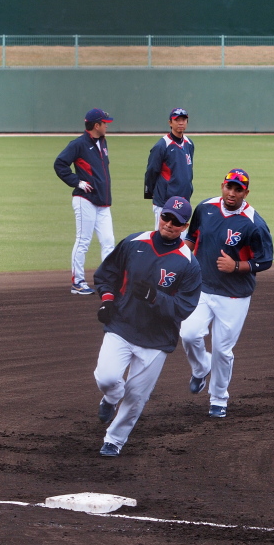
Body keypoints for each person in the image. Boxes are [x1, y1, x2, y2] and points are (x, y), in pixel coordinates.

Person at [92, 196, 202, 457]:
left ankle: (114, 441)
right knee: (106, 378)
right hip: (122, 325)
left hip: (156, 338)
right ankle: (110, 397)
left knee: (136, 396)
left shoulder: (188, 263)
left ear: (185, 226)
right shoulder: (133, 242)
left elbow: (185, 307)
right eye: (166, 217)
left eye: (177, 222)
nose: (169, 224)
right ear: (160, 215)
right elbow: (106, 274)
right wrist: (107, 301)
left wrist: (155, 297)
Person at [179, 169, 273, 418]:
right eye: (229, 187)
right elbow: (191, 237)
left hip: (234, 295)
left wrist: (238, 267)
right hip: (201, 287)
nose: (232, 193)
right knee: (188, 334)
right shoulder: (205, 208)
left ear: (246, 192)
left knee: (222, 350)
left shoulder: (254, 224)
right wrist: (177, 258)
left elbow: (265, 261)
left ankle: (219, 397)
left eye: (238, 189)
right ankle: (200, 369)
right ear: (222, 186)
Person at [54, 108, 115, 296]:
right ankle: (78, 282)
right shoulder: (79, 144)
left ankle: (108, 281)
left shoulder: (102, 142)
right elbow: (59, 164)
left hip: (103, 202)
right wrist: (77, 182)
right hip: (85, 200)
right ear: (96, 125)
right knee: (83, 241)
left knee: (108, 242)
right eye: (105, 123)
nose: (107, 126)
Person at [144, 108, 194, 231]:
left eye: (183, 119)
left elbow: (188, 171)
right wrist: (153, 194)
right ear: (170, 123)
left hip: (183, 201)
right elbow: (151, 172)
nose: (181, 123)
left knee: (181, 242)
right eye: (177, 120)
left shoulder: (189, 144)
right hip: (165, 203)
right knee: (161, 238)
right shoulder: (162, 145)